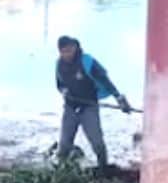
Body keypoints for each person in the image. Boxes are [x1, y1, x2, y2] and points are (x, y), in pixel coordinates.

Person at [55, 35, 132, 169]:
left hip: (89, 107)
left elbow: (105, 81)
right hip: (70, 107)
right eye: (63, 52)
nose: (67, 54)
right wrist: (64, 91)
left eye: (69, 50)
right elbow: (59, 84)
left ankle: (103, 167)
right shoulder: (59, 64)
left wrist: (119, 99)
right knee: (64, 144)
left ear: (75, 47)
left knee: (97, 142)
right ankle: (61, 170)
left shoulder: (87, 61)